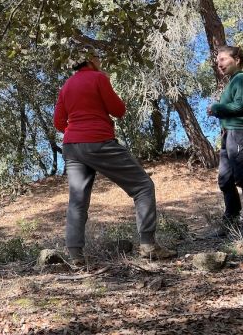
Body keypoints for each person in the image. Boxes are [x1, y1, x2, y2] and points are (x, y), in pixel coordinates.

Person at [53, 49, 176, 266]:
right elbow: (118, 110)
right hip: (99, 141)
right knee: (143, 187)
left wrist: (77, 132)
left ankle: (75, 255)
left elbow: (58, 122)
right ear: (91, 61)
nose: (100, 61)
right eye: (98, 57)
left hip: (72, 146)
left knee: (77, 201)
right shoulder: (99, 78)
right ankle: (148, 245)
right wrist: (92, 127)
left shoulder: (66, 86)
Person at [207, 45, 243, 238]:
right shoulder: (232, 82)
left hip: (240, 134)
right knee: (225, 180)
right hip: (228, 135)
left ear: (237, 60)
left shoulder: (242, 79)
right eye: (217, 62)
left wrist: (217, 107)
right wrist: (218, 110)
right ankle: (230, 223)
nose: (219, 64)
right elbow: (234, 106)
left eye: (222, 59)